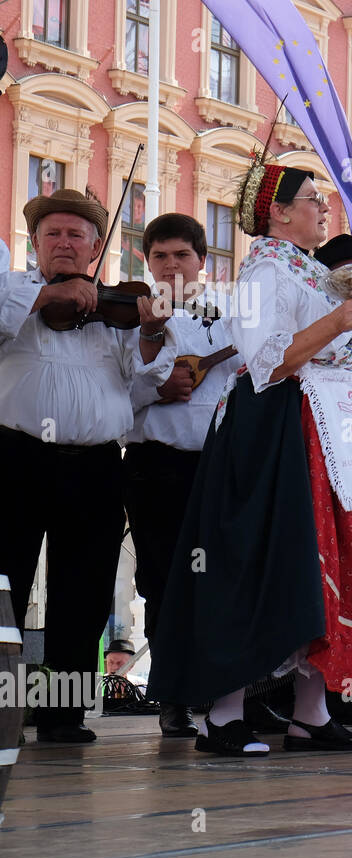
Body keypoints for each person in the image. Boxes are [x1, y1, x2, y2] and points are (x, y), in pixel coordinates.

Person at [146, 159, 352, 755]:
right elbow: (268, 359)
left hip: (329, 429)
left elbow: (330, 354)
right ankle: (223, 712)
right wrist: (338, 323)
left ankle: (310, 713)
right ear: (278, 211)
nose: (324, 209)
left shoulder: (313, 274)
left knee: (327, 558)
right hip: (276, 425)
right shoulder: (266, 269)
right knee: (256, 556)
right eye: (313, 199)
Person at [0, 188, 176, 743]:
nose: (64, 242)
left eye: (76, 235)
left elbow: (147, 377)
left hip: (97, 464)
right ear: (35, 243)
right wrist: (54, 293)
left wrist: (148, 326)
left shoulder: (114, 306)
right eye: (53, 233)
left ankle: (62, 714)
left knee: (85, 591)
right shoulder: (14, 289)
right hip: (16, 457)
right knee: (5, 583)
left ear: (95, 246)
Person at [124, 213, 243, 739]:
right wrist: (156, 389)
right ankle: (171, 698)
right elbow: (107, 396)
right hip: (158, 467)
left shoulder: (236, 317)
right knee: (163, 584)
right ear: (145, 262)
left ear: (203, 260)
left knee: (222, 581)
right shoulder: (131, 317)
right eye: (160, 256)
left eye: (182, 255)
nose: (171, 266)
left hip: (219, 465)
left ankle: (227, 698)